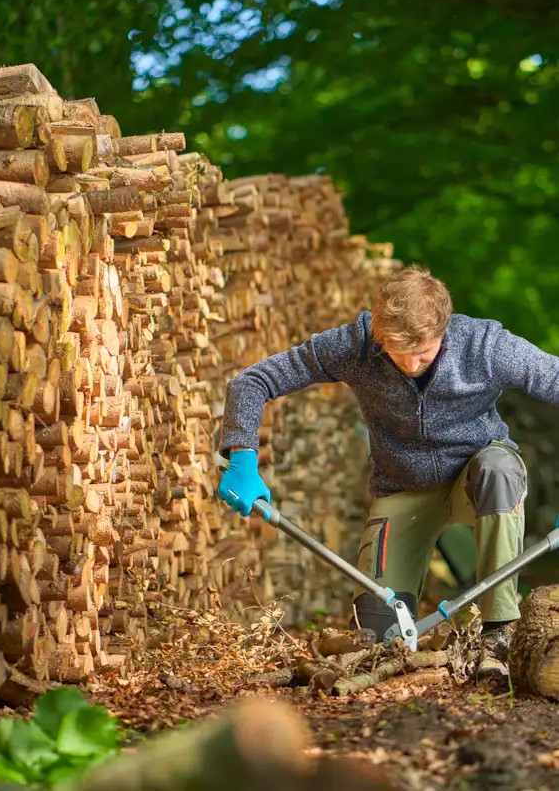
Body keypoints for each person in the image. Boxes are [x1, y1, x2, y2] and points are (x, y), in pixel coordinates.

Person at [217, 264, 553, 679]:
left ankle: (497, 633)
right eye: (397, 352)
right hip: (402, 488)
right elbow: (252, 381)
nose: (411, 364)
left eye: (423, 352)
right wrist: (243, 458)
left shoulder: (484, 345)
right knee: (377, 638)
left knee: (499, 469)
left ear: (444, 329)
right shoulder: (356, 345)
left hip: (476, 478)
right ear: (379, 335)